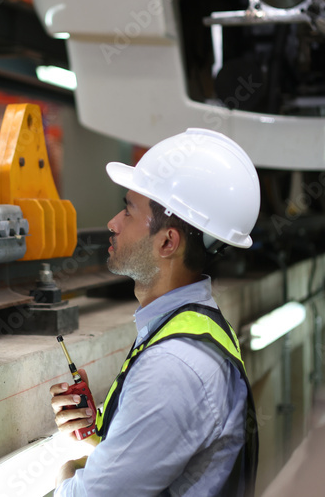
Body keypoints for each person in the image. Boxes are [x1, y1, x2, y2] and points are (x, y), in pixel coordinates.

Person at [50, 128, 260, 496]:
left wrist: (66, 473)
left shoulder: (174, 365)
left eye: (129, 210)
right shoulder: (190, 326)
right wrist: (105, 427)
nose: (113, 223)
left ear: (167, 242)